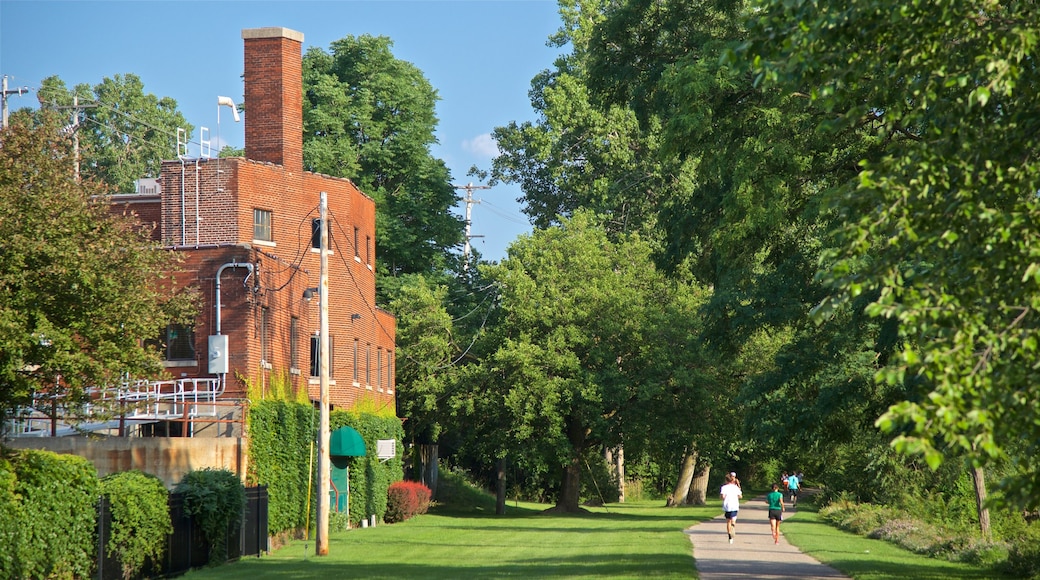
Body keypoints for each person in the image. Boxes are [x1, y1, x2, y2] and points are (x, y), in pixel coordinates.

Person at [720, 473, 743, 544]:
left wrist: (723, 497)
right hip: (735, 505)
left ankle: (730, 536)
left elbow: (722, 497)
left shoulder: (724, 487)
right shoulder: (736, 487)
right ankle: (733, 525)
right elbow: (740, 496)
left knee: (728, 521)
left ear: (726, 480)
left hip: (727, 506)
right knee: (733, 519)